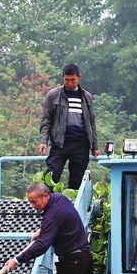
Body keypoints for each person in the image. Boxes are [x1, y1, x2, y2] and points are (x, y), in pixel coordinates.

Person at [38, 63, 99, 191]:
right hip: (60, 143)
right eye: (67, 80)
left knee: (77, 180)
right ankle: (44, 206)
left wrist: (95, 146)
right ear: (63, 78)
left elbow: (91, 123)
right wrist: (43, 141)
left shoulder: (86, 97)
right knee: (51, 174)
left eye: (73, 80)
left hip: (81, 144)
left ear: (79, 78)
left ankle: (72, 209)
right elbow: (46, 120)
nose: (69, 83)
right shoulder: (53, 95)